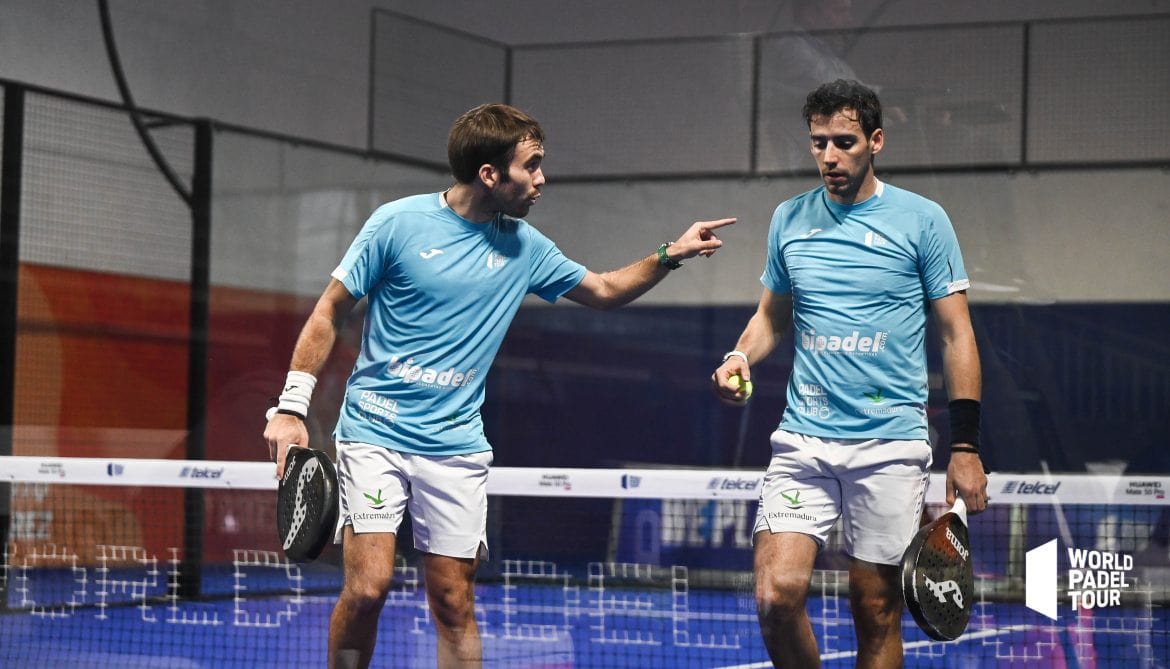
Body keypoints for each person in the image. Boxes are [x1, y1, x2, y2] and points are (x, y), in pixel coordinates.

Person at [263, 102, 734, 669]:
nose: (542, 179)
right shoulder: (396, 224)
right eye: (530, 166)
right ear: (489, 174)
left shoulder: (526, 247)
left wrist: (670, 254)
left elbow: (605, 290)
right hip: (374, 431)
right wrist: (291, 406)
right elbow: (329, 310)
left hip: (454, 445)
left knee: (453, 602)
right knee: (368, 588)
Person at [710, 80, 988, 668]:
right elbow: (771, 317)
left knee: (876, 609)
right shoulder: (789, 219)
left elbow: (956, 334)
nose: (830, 156)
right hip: (803, 442)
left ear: (875, 141)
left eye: (844, 142)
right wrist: (739, 356)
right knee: (775, 597)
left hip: (890, 445)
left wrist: (964, 446)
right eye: (819, 143)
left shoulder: (923, 220)